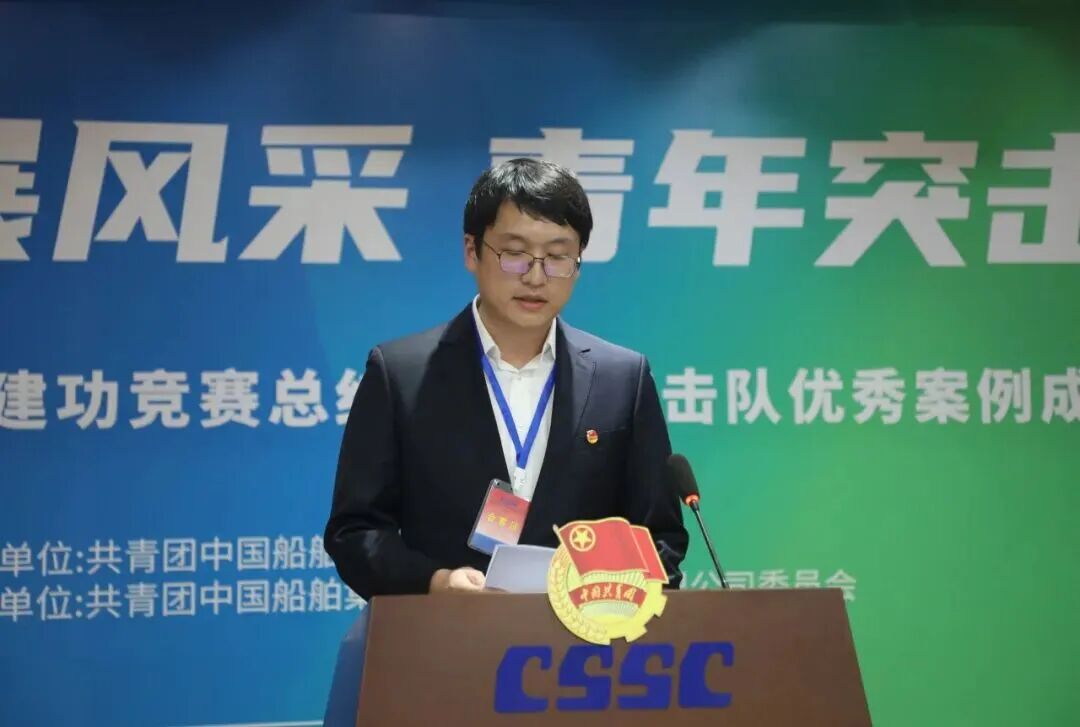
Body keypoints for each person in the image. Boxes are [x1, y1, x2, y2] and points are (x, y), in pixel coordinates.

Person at [324, 157, 687, 598]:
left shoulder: (622, 379)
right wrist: (437, 583)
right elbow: (356, 532)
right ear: (472, 251)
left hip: (586, 636)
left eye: (557, 257)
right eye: (515, 254)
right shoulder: (401, 374)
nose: (536, 276)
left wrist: (604, 597)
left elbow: (660, 537)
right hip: (448, 632)